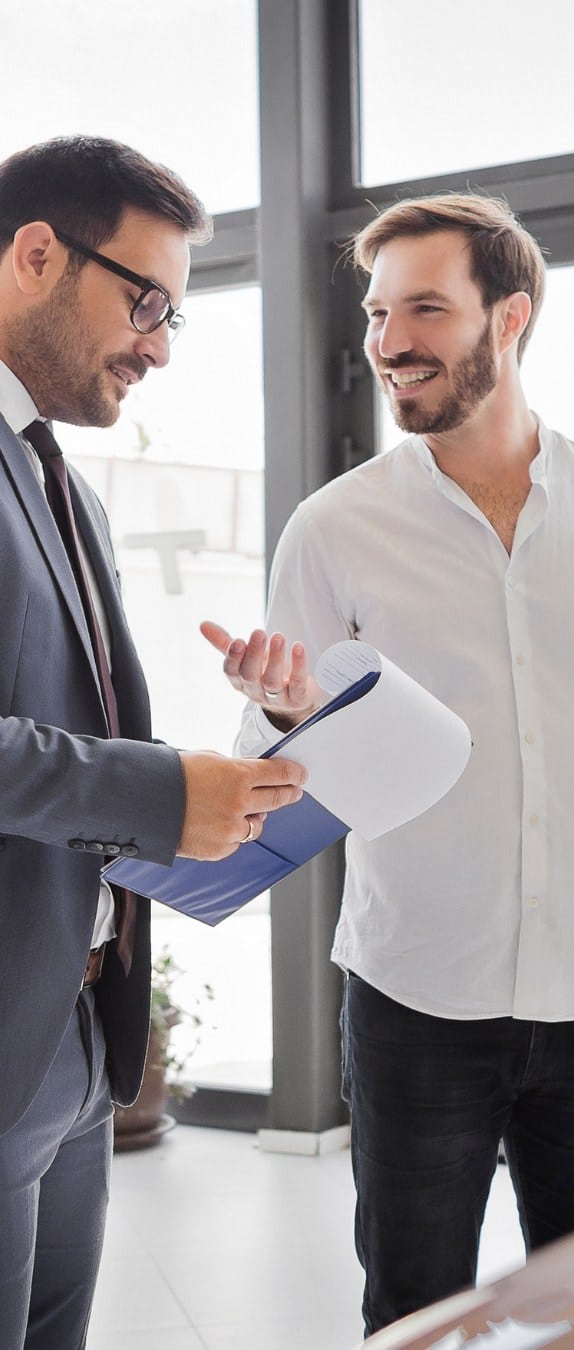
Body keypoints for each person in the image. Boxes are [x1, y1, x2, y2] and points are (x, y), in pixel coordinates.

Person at [203, 192, 574, 1333]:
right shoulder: (332, 529)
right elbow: (269, 785)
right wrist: (282, 717)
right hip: (415, 996)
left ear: (508, 318)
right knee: (413, 1311)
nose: (388, 340)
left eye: (425, 306)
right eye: (376, 311)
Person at [0, 136, 307, 1350]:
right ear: (34, 254)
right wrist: (161, 787)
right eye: (146, 301)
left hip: (72, 1035)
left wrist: (259, 735)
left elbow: (75, 740)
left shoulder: (63, 483)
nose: (161, 345)